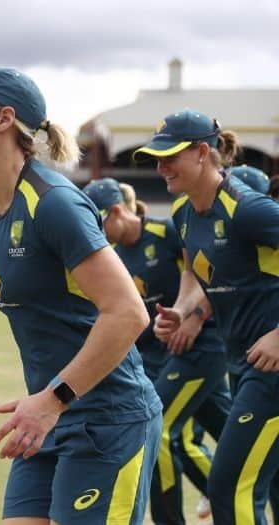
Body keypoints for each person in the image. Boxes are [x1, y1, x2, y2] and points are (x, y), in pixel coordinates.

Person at [0, 66, 162, 524]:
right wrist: (48, 402)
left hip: (108, 420)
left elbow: (129, 314)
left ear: (4, 119)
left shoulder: (55, 203)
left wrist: (52, 398)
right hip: (48, 417)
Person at [135, 109, 279, 524]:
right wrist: (180, 312)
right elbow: (193, 269)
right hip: (242, 361)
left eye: (170, 157)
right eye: (156, 159)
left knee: (229, 487)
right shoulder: (183, 214)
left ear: (202, 152)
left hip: (270, 367)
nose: (161, 168)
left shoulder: (250, 210)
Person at [84, 177, 231, 524]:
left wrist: (194, 317)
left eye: (100, 221)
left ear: (117, 211)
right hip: (159, 358)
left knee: (161, 429)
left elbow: (207, 273)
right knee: (224, 431)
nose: (97, 231)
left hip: (200, 346)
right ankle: (231, 492)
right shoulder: (115, 256)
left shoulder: (167, 232)